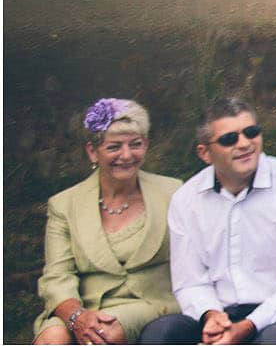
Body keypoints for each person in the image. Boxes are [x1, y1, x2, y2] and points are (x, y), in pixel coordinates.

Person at [142, 98, 276, 345]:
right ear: (205, 152)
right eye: (229, 139)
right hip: (218, 314)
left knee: (274, 342)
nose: (245, 144)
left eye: (251, 132)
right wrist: (212, 316)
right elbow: (190, 281)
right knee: (160, 334)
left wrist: (248, 326)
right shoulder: (186, 200)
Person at [34, 98, 181, 345]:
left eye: (135, 145)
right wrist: (77, 316)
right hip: (81, 308)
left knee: (103, 334)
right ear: (93, 151)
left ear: (146, 145)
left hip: (149, 302)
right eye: (114, 147)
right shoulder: (64, 205)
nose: (126, 156)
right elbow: (57, 277)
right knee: (52, 338)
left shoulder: (173, 192)